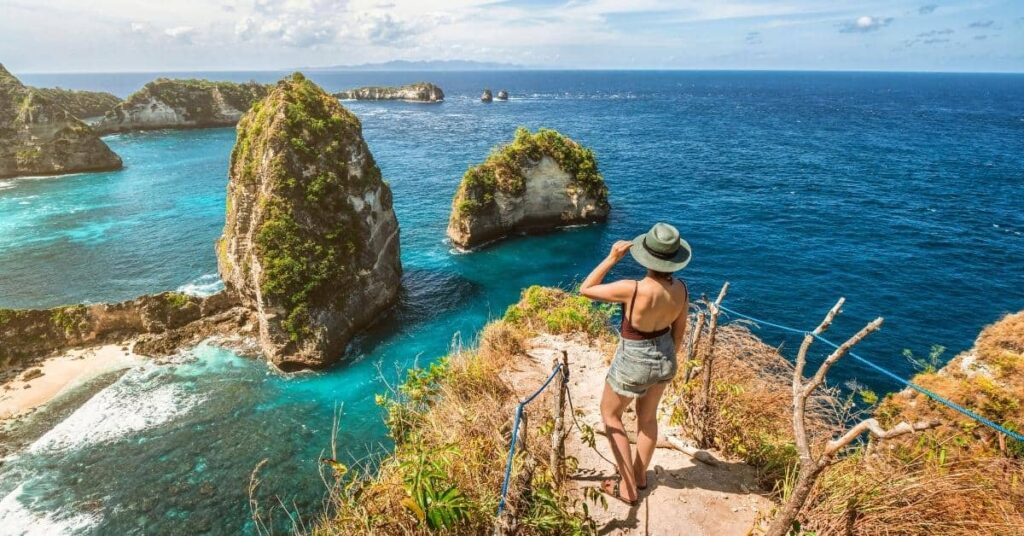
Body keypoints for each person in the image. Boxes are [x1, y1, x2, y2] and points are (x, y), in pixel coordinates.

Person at [579, 222, 692, 505]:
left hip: (634, 359)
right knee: (648, 419)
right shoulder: (681, 290)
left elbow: (586, 288)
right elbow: (679, 333)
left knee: (610, 415)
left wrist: (612, 258)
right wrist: (667, 362)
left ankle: (627, 488)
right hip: (665, 356)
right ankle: (640, 476)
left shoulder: (632, 289)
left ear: (646, 256)